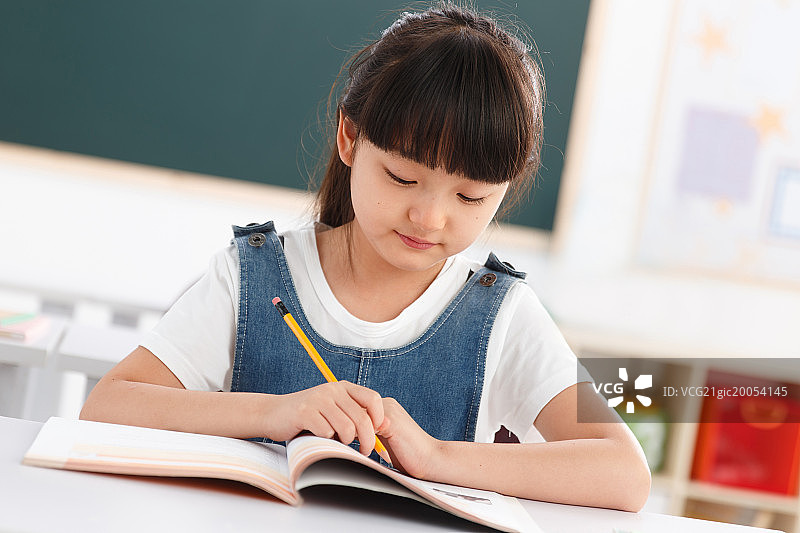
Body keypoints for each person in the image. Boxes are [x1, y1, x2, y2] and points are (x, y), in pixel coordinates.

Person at [81, 2, 650, 512]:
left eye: (470, 197)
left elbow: (623, 473)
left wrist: (437, 457)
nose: (429, 218)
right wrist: (273, 413)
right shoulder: (252, 275)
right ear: (350, 138)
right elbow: (109, 405)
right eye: (402, 177)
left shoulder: (503, 315)